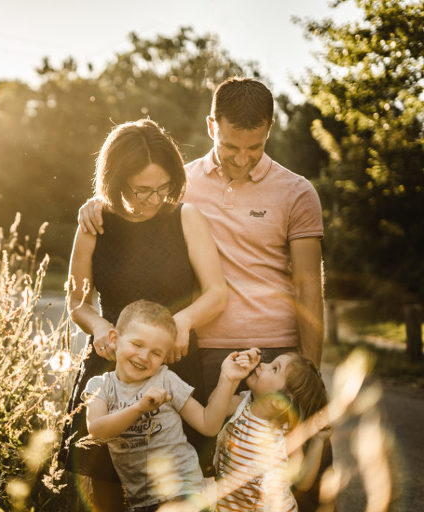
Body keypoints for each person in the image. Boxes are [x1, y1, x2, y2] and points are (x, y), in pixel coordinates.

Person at [76, 78, 330, 502]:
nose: (243, 159)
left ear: (269, 130)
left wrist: (311, 373)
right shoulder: (179, 183)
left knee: (303, 480)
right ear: (212, 126)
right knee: (220, 480)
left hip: (276, 352)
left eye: (255, 147)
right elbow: (132, 198)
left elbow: (308, 284)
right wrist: (97, 203)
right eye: (231, 146)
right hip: (204, 352)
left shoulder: (297, 191)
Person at [60, 119, 228, 511]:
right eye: (142, 190)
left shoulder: (186, 217)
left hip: (174, 365)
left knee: (177, 487)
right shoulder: (94, 224)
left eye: (163, 187)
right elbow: (77, 302)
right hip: (112, 366)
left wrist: (182, 322)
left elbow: (217, 293)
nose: (154, 199)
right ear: (116, 181)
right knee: (104, 484)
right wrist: (99, 326)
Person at [84, 300, 257, 512]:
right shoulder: (100, 386)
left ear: (164, 357)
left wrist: (228, 378)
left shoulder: (166, 380)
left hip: (184, 490)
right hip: (142, 501)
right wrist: (138, 408)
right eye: (137, 344)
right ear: (114, 339)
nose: (144, 357)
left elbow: (208, 424)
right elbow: (97, 430)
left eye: (156, 353)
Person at [214, 352, 331, 512]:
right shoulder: (241, 404)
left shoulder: (286, 434)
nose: (263, 364)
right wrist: (230, 378)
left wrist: (319, 440)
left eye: (275, 368)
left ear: (279, 401)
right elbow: (215, 407)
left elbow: (302, 481)